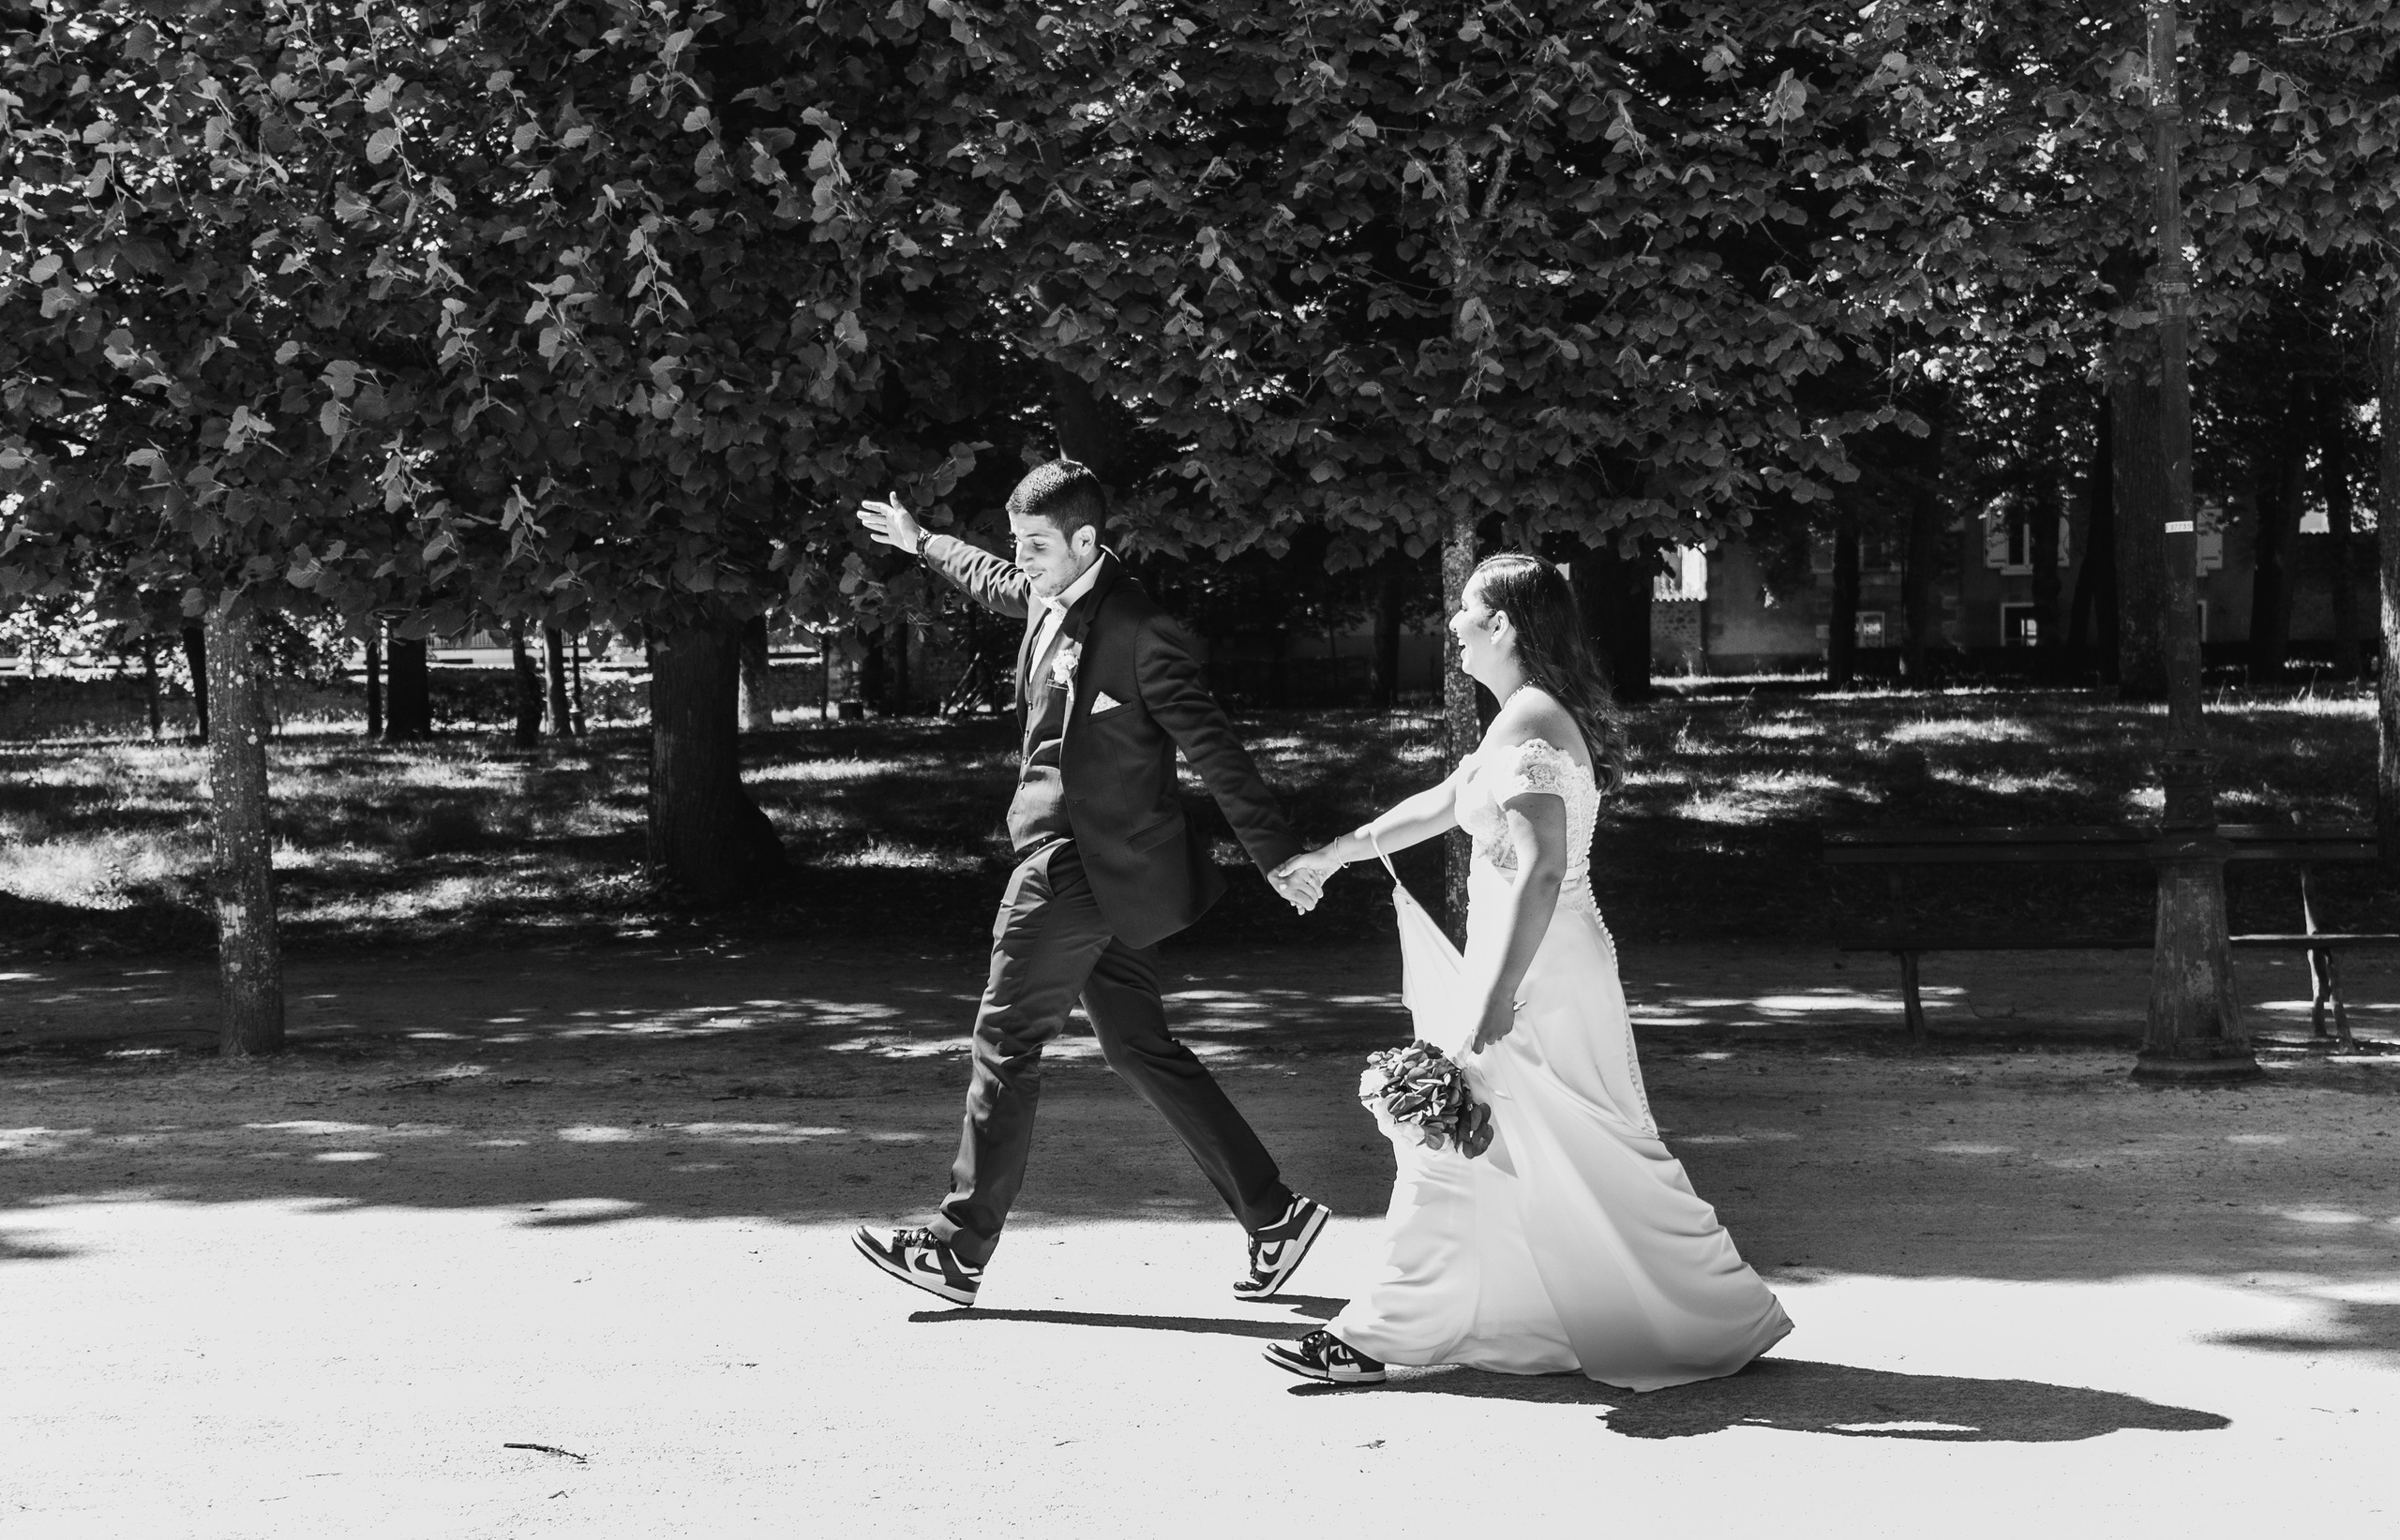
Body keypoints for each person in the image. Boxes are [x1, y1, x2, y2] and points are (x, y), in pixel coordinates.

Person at [1261, 552, 1792, 1389]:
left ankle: (1376, 1334)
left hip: (1536, 969)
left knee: (1451, 1139)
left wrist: (1498, 994)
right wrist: (1332, 856)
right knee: (1551, 1148)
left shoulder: (1533, 721)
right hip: (1540, 959)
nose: (1454, 627)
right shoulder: (1522, 715)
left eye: (1465, 612)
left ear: (1502, 624)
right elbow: (1445, 801)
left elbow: (1542, 869)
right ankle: (1708, 1313)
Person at [849, 460, 1330, 1308]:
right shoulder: (1042, 587)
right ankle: (1275, 1215)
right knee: (1139, 1047)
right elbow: (990, 578)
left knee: (1005, 1039)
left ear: (1085, 541)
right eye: (1017, 543)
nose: (1022, 560)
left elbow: (1215, 748)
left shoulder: (1143, 630)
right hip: (1103, 877)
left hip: (1071, 864)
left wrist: (1278, 857)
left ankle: (958, 1247)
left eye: (1037, 545)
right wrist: (921, 541)